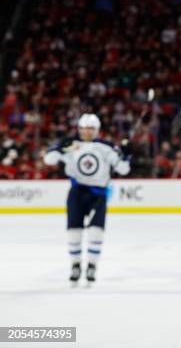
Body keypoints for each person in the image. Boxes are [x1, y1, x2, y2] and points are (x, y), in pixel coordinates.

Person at [42, 113, 130, 285]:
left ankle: (92, 265)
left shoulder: (106, 147)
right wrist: (58, 147)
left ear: (96, 130)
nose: (86, 132)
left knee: (96, 230)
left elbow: (124, 169)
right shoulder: (72, 145)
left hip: (99, 194)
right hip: (77, 192)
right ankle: (75, 265)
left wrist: (126, 155)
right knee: (74, 231)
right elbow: (49, 160)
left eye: (90, 128)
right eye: (83, 128)